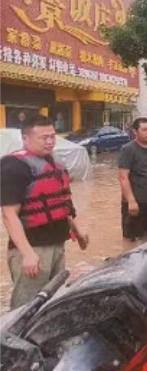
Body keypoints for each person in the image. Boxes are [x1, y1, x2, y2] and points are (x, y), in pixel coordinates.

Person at [0, 115, 89, 310]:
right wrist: (27, 254)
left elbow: (63, 203)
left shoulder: (55, 163)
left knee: (54, 302)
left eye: (53, 136)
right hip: (33, 247)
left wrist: (78, 231)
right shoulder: (13, 167)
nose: (50, 141)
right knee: (27, 308)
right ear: (26, 138)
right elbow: (9, 215)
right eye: (44, 138)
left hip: (57, 243)